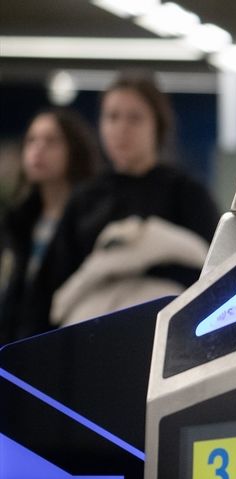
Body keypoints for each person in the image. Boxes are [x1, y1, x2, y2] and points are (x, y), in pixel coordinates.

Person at [36, 74, 219, 332]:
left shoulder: (187, 193)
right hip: (89, 333)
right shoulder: (85, 197)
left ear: (157, 125)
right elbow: (53, 284)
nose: (122, 128)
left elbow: (212, 269)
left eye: (135, 118)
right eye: (112, 117)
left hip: (163, 333)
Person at [0, 109, 100, 343]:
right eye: (31, 140)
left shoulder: (91, 221)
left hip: (65, 343)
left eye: (51, 141)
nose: (38, 149)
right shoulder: (18, 221)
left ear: (73, 151)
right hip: (13, 348)